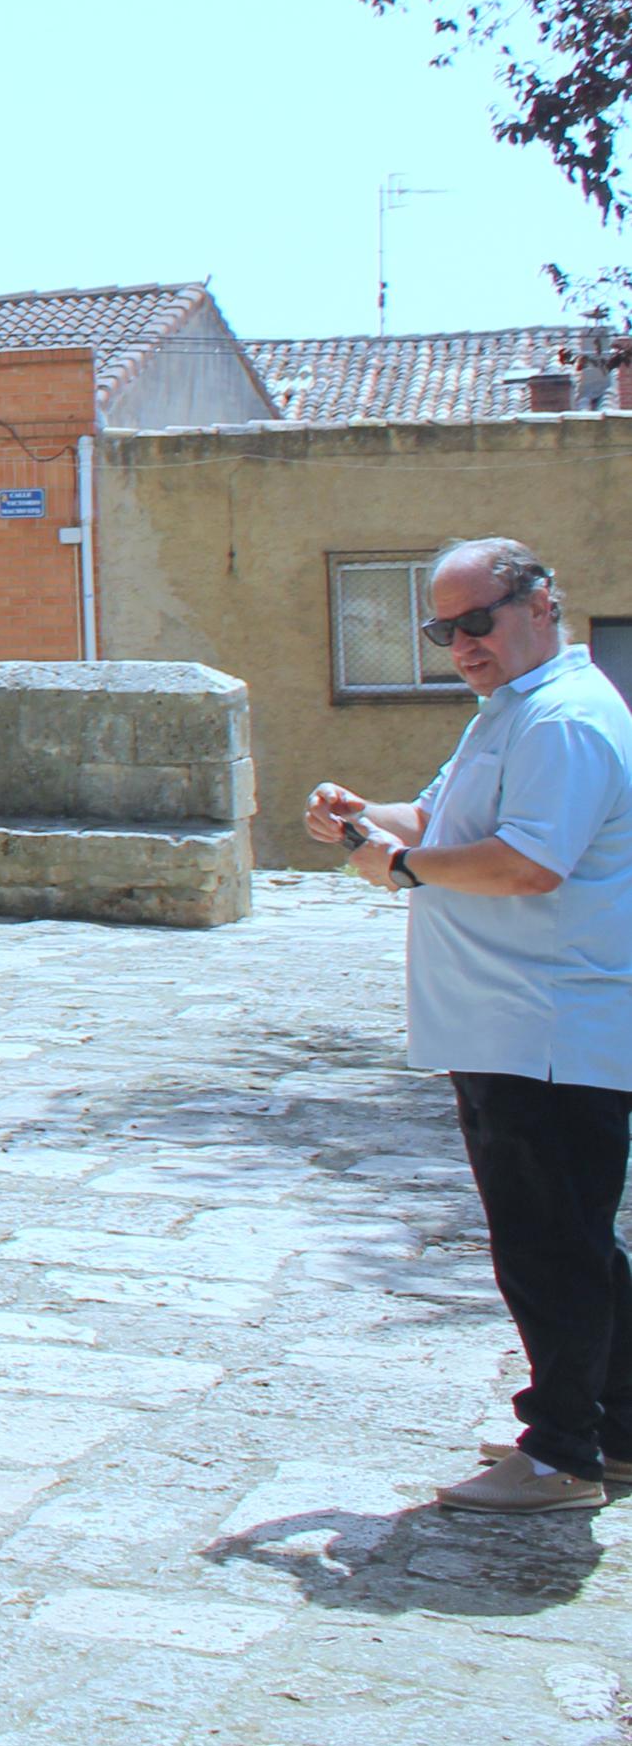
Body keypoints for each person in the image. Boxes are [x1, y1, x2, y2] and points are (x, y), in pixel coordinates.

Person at [309, 537, 632, 1515]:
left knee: (546, 1247)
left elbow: (528, 863)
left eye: (473, 622)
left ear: (539, 603)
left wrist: (401, 869)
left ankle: (558, 1453)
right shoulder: (515, 713)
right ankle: (608, 1428)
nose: (459, 644)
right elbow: (452, 822)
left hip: (540, 1032)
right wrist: (371, 817)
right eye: (439, 628)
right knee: (574, 1239)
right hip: (512, 1029)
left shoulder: (562, 721)